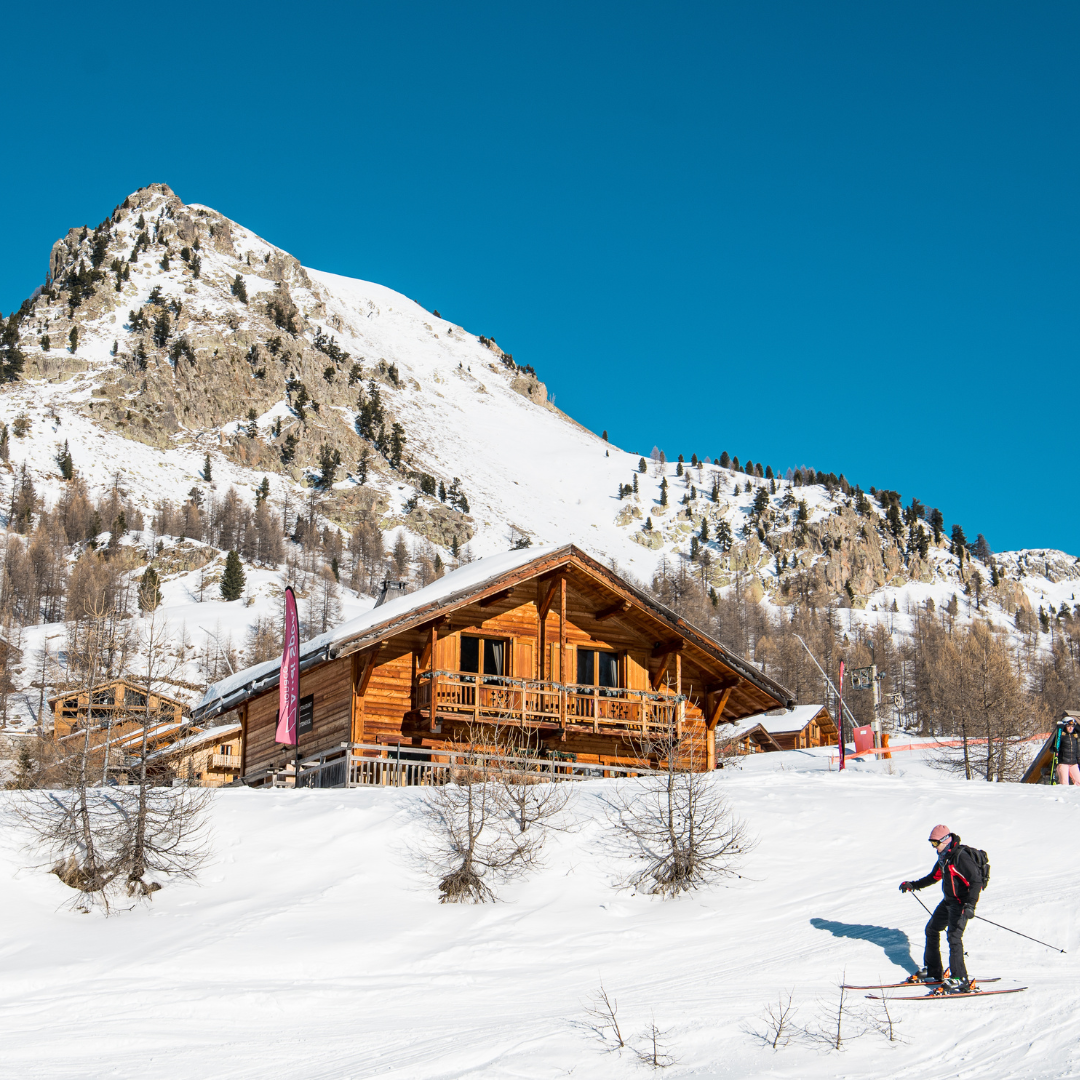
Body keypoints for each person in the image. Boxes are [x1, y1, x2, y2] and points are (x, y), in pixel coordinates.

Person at [899, 825, 984, 994]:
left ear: (945, 840)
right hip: (948, 902)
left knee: (954, 937)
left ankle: (960, 979)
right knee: (931, 929)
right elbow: (934, 877)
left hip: (961, 904)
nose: (934, 847)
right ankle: (934, 971)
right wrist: (913, 885)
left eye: (935, 843)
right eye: (931, 843)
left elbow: (976, 881)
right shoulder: (944, 857)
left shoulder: (960, 857)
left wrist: (970, 905)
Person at [1056, 716, 1080, 785]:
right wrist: (1055, 749)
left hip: (1073, 763)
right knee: (1064, 783)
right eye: (1068, 726)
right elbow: (1052, 748)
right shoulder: (1060, 736)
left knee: (1078, 782)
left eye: (1072, 726)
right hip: (1063, 763)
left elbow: (1077, 751)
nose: (1070, 728)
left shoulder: (1074, 736)